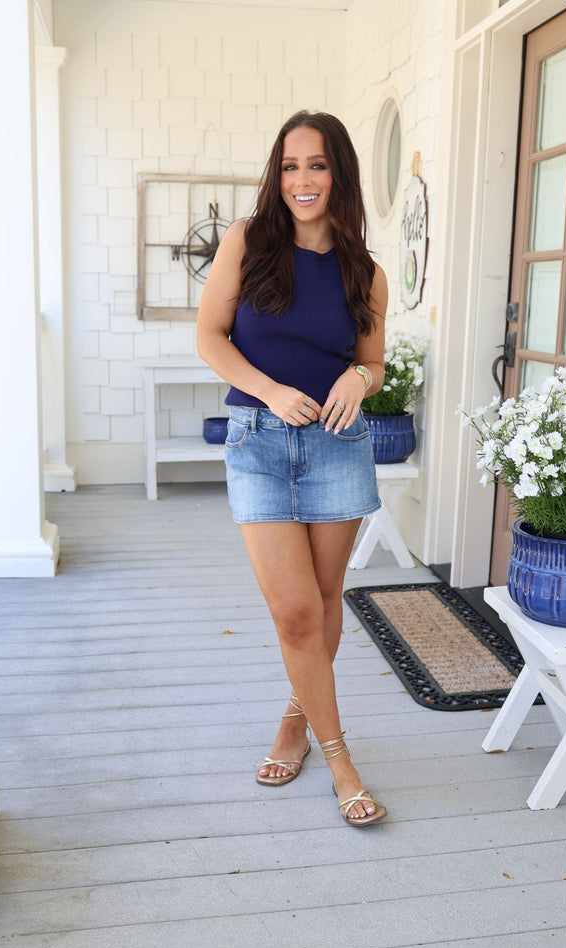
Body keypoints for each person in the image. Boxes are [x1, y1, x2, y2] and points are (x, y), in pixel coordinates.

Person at [196, 110, 389, 827]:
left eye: (315, 165)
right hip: (258, 441)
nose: (301, 180)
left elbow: (371, 362)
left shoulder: (364, 272)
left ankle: (295, 718)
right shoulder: (248, 242)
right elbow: (209, 336)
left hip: (338, 445)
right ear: (275, 176)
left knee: (325, 600)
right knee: (295, 610)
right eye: (288, 166)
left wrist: (357, 383)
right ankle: (340, 758)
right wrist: (273, 391)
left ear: (338, 173)